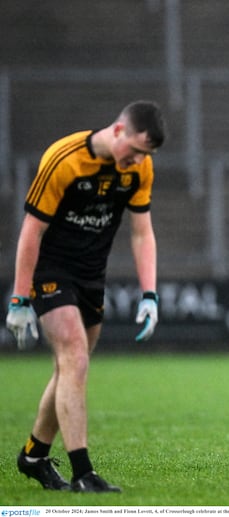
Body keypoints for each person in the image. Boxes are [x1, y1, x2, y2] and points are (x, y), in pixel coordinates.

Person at [6, 100, 166, 492]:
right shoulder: (64, 159)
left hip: (92, 274)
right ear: (117, 131)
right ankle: (83, 474)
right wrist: (18, 299)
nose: (137, 161)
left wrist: (150, 294)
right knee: (74, 356)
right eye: (134, 151)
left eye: (145, 155)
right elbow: (31, 232)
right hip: (51, 270)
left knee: (70, 368)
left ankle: (33, 455)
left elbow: (142, 232)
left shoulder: (139, 166)